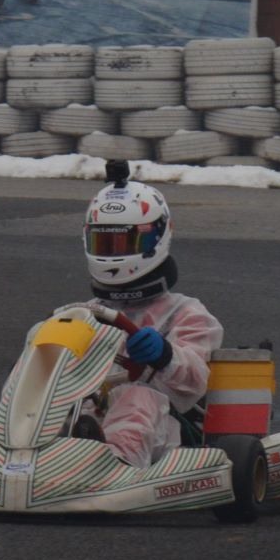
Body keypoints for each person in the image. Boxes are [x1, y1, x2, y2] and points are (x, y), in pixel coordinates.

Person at [75, 162, 223, 467]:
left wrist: (166, 355)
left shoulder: (187, 314)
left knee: (136, 396)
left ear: (156, 238)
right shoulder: (84, 314)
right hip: (91, 415)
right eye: (104, 242)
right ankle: (17, 453)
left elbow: (195, 383)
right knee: (62, 402)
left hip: (168, 428)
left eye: (123, 243)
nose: (112, 254)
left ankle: (113, 464)